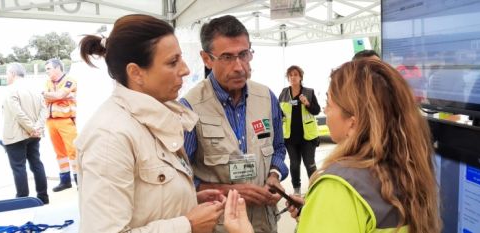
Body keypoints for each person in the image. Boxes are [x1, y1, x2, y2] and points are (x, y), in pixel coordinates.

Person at [76, 14, 225, 232]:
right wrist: (188, 225)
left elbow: (146, 200)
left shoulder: (156, 118)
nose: (185, 69)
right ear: (136, 73)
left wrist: (188, 200)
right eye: (173, 62)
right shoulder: (110, 137)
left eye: (180, 58)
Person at [287, 59, 441, 233]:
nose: (325, 111)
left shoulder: (337, 187)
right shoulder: (410, 170)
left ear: (353, 123)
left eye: (329, 104)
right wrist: (315, 214)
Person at [180, 15, 288, 233]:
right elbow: (180, 179)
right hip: (219, 225)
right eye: (227, 57)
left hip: (263, 223)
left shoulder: (266, 97)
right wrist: (228, 190)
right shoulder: (190, 107)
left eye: (244, 54)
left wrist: (274, 176)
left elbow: (278, 148)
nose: (239, 66)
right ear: (206, 59)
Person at [2, 63, 49, 204]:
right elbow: (43, 110)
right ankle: (43, 196)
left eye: (7, 73)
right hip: (34, 135)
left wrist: (31, 128)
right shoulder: (35, 88)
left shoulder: (11, 90)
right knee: (36, 164)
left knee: (19, 167)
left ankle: (22, 199)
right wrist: (37, 128)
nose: (6, 76)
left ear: (12, 73)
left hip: (16, 135)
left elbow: (17, 113)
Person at [278, 65, 320, 195]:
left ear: (300, 77)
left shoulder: (309, 92)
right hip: (290, 137)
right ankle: (296, 190)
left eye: (295, 74)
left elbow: (316, 111)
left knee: (310, 164)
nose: (293, 77)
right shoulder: (284, 93)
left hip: (308, 136)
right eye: (290, 75)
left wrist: (307, 103)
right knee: (294, 165)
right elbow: (279, 113)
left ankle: (316, 189)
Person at [43, 58, 78, 192]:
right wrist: (55, 96)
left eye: (48, 69)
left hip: (66, 121)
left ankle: (79, 181)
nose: (46, 72)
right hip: (51, 121)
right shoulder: (47, 82)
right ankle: (65, 181)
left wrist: (55, 95)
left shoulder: (70, 81)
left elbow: (59, 94)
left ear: (57, 68)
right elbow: (46, 97)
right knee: (60, 153)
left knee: (73, 152)